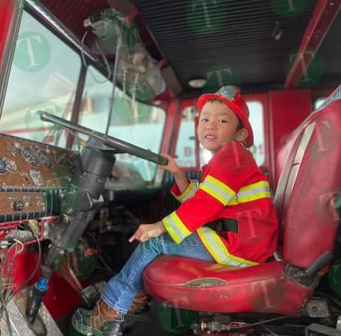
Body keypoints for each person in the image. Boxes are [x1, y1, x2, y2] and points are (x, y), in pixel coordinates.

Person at [72, 85, 279, 336]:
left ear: (240, 133)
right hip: (242, 242)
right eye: (205, 119)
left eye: (222, 120)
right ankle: (127, 305)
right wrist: (178, 173)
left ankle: (107, 315)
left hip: (238, 246)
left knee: (154, 242)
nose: (210, 125)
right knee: (158, 237)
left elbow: (206, 205)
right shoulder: (229, 158)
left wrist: (160, 227)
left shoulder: (233, 156)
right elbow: (205, 201)